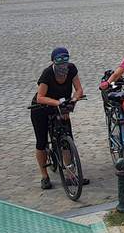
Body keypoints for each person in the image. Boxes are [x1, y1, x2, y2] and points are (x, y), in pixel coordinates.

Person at [30, 47, 87, 190]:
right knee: (41, 142)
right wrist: (58, 103)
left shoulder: (71, 69)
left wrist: (73, 100)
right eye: (59, 59)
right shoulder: (47, 74)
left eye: (65, 59)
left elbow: (79, 89)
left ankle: (70, 175)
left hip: (62, 105)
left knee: (67, 137)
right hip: (41, 108)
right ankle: (44, 176)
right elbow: (40, 97)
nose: (63, 62)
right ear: (53, 61)